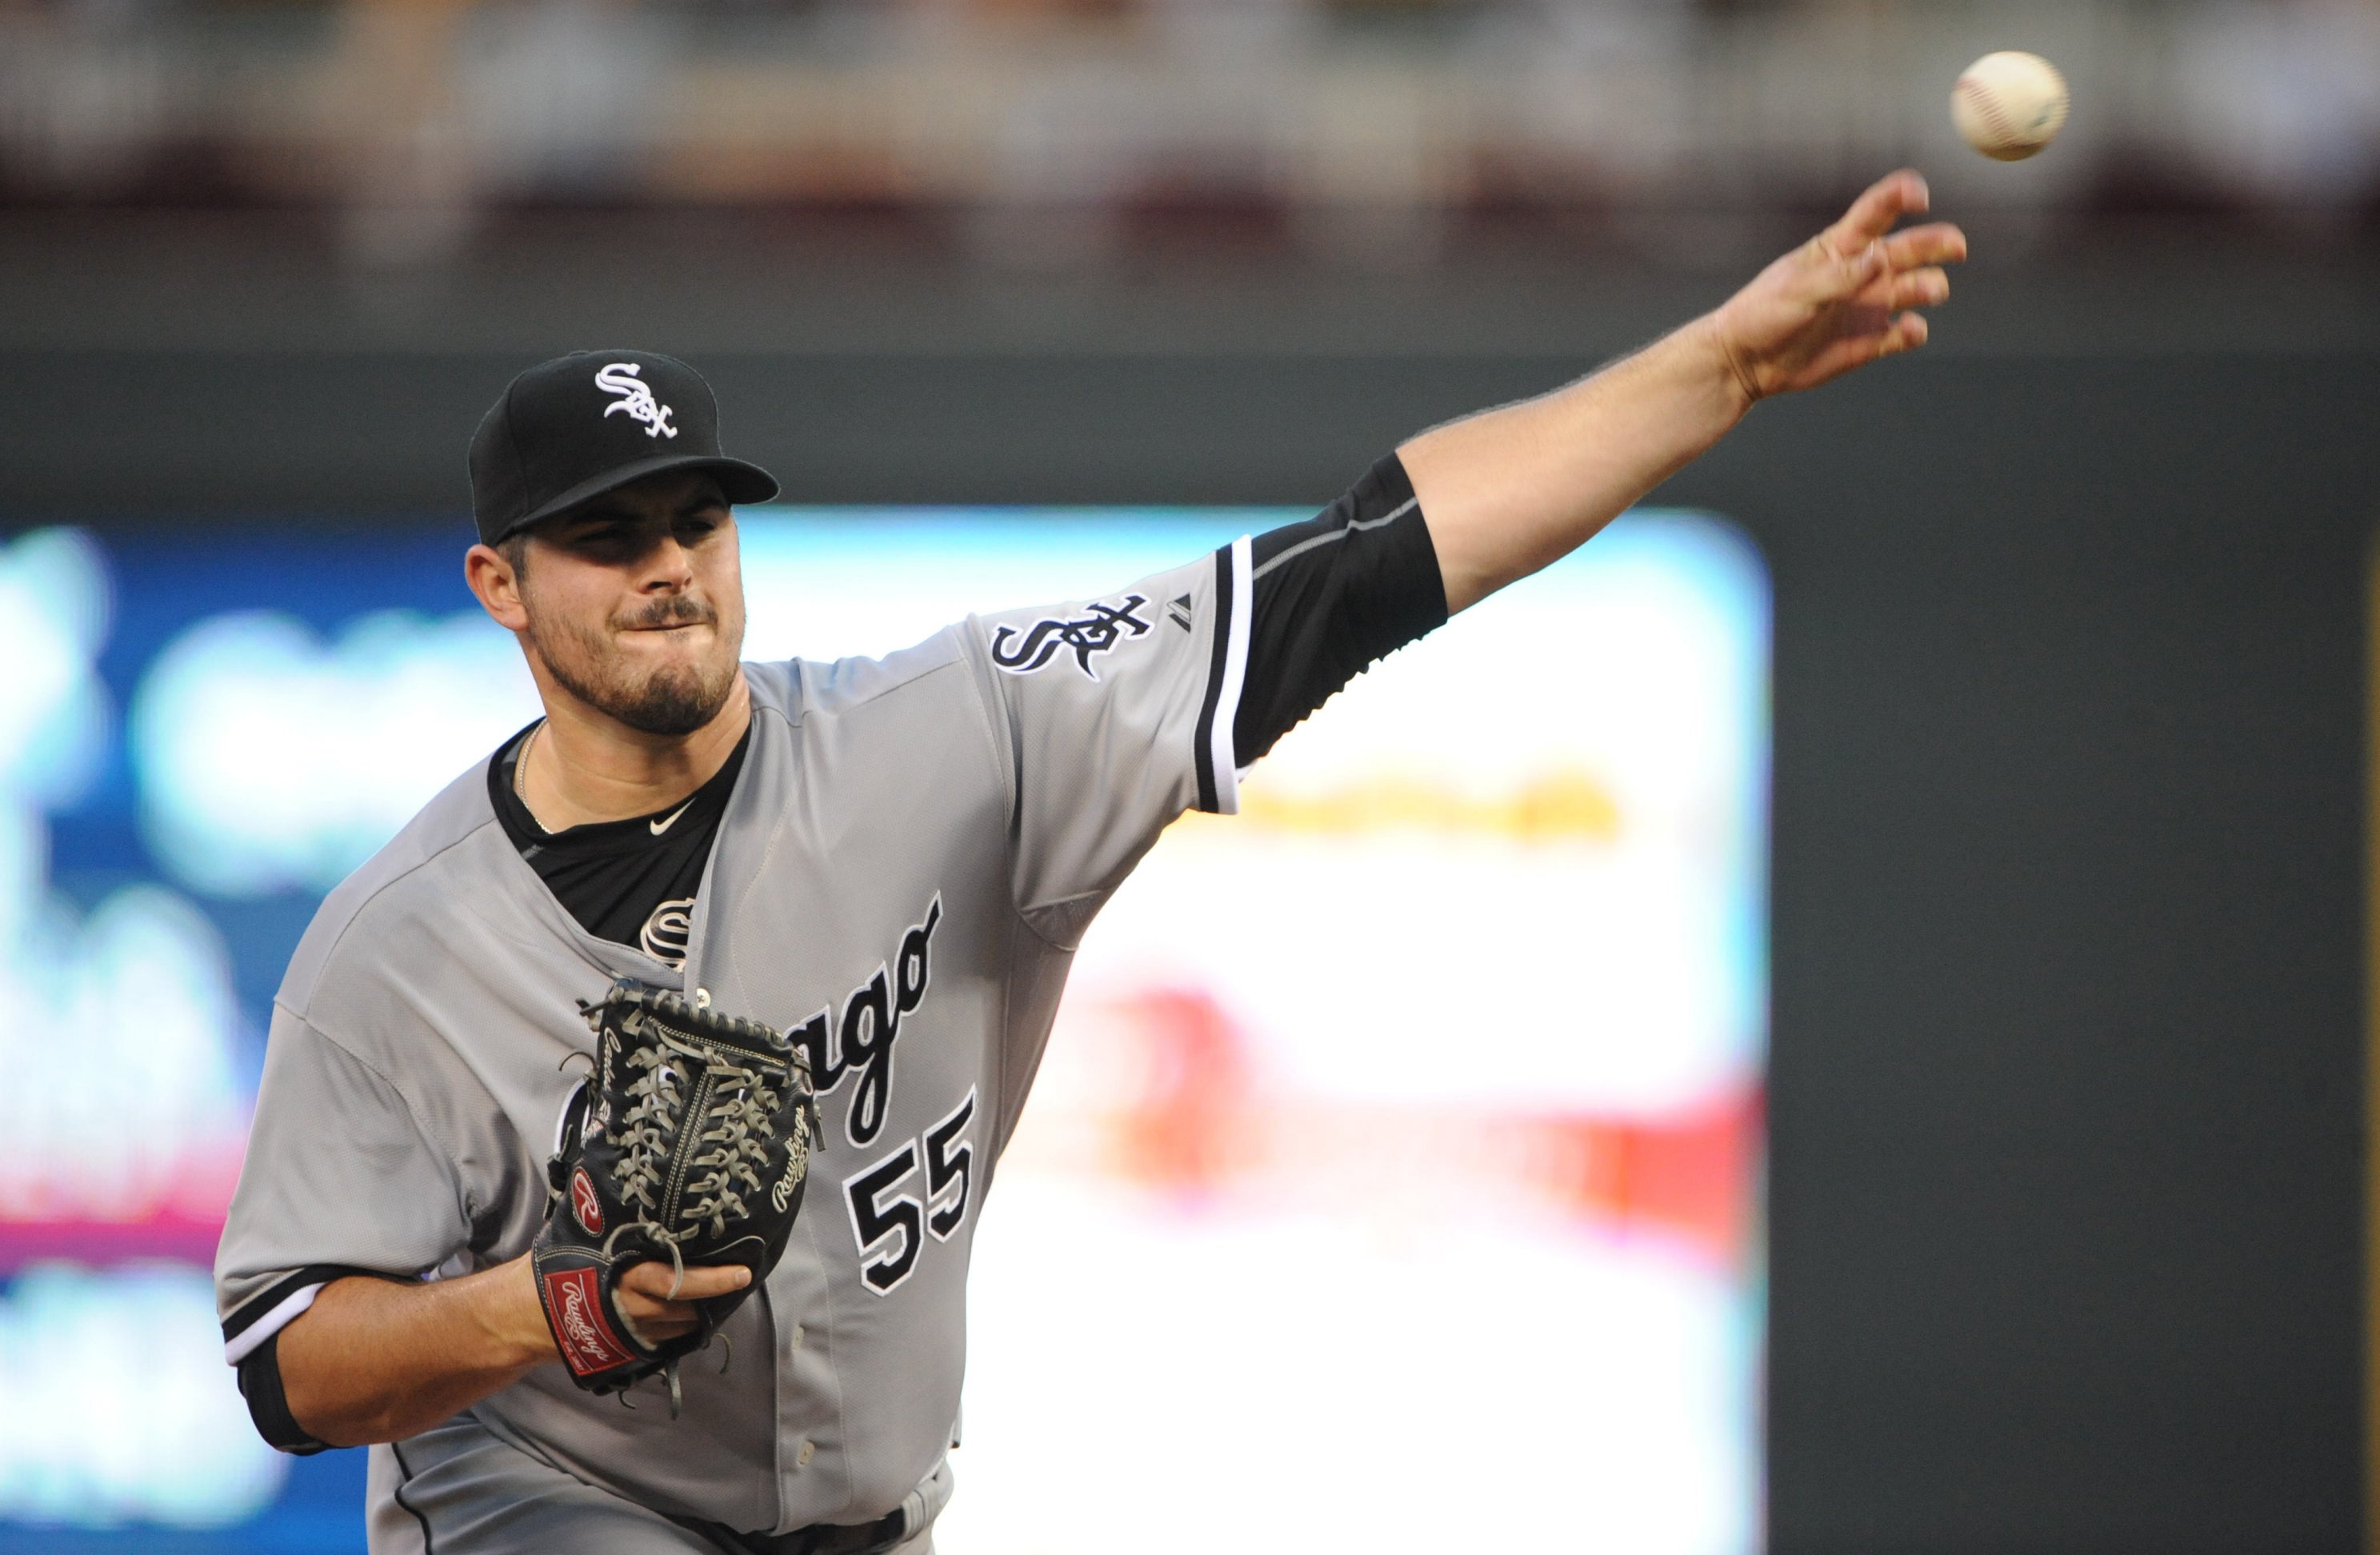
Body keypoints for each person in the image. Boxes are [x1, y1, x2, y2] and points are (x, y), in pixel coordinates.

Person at [214, 170, 1963, 1554]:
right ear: (499, 586)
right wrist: (547, 1306)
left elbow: (1361, 563)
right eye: (604, 536)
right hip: (548, 1505)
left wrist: (1720, 364)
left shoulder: (955, 734)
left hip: (875, 1509)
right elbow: (287, 1362)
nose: (667, 564)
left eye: (694, 517)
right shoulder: (401, 943)